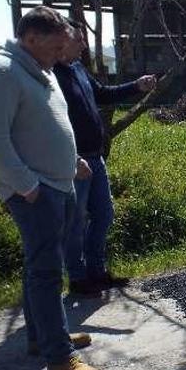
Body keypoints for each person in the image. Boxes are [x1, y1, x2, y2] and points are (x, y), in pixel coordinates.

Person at [0, 6, 101, 370]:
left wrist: (72, 158)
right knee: (46, 271)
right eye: (55, 45)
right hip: (35, 190)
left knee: (42, 266)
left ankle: (43, 335)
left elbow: (48, 123)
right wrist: (27, 186)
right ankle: (60, 358)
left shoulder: (40, 70)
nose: (61, 53)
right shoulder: (0, 74)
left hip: (58, 182)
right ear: (31, 39)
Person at [53, 18, 156, 297]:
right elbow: (49, 125)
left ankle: (97, 271)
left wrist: (137, 86)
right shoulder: (51, 76)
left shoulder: (78, 70)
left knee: (104, 214)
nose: (84, 44)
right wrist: (71, 158)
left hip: (95, 158)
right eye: (79, 39)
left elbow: (103, 95)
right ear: (63, 40)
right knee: (74, 222)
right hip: (73, 162)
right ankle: (77, 277)